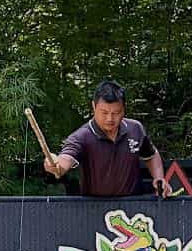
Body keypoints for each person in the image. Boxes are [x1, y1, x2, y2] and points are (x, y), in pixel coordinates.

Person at [44, 79, 172, 197]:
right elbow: (65, 159)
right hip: (95, 206)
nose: (110, 118)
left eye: (116, 113)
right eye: (104, 112)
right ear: (94, 107)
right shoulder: (82, 136)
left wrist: (159, 178)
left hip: (132, 206)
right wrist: (55, 165)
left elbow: (151, 155)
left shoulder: (135, 129)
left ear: (124, 109)